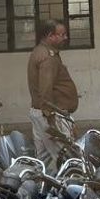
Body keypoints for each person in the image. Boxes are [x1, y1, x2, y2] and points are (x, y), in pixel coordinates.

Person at [27, 19, 79, 165]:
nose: (65, 38)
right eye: (62, 34)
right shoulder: (47, 57)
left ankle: (37, 180)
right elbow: (45, 89)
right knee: (67, 158)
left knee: (43, 160)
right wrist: (51, 119)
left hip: (41, 113)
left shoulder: (40, 51)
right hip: (51, 115)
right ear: (50, 36)